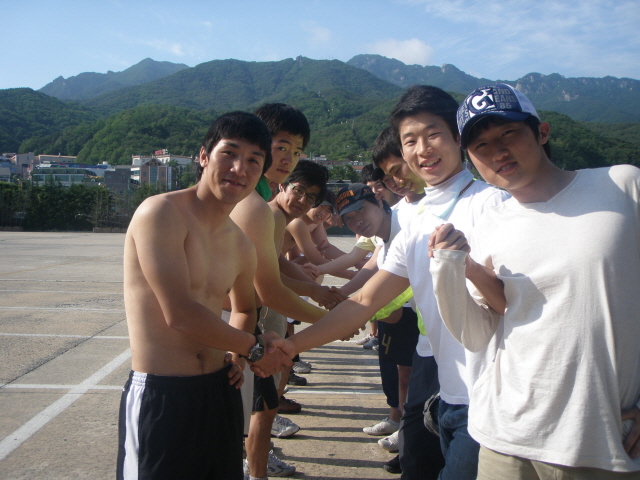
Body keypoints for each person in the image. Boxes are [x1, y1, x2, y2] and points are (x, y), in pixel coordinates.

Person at [270, 85, 509, 480]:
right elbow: (366, 299)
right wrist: (291, 346)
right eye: (410, 141)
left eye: (433, 135)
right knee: (416, 467)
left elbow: (523, 305)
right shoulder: (413, 221)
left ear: (458, 136)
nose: (422, 150)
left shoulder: (496, 205)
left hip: (491, 398)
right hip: (445, 389)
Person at [428, 83, 640, 479]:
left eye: (509, 133)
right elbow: (480, 332)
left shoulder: (622, 185)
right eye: (481, 145)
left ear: (542, 132)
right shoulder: (489, 223)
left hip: (602, 441)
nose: (497, 152)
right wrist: (450, 269)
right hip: (504, 438)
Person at [117, 111, 292, 480]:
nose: (239, 168)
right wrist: (254, 348)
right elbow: (179, 314)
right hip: (162, 394)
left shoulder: (240, 244)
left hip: (219, 390)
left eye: (254, 160)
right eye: (229, 153)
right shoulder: (161, 213)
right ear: (203, 156)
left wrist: (238, 357)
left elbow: (246, 309)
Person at [231, 103, 344, 480]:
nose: (287, 158)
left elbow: (275, 266)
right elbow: (269, 287)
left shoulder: (260, 201)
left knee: (257, 408)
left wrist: (314, 290)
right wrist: (331, 321)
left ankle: (257, 467)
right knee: (249, 412)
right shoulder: (255, 206)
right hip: (233, 327)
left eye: (296, 151)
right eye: (281, 146)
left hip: (247, 325)